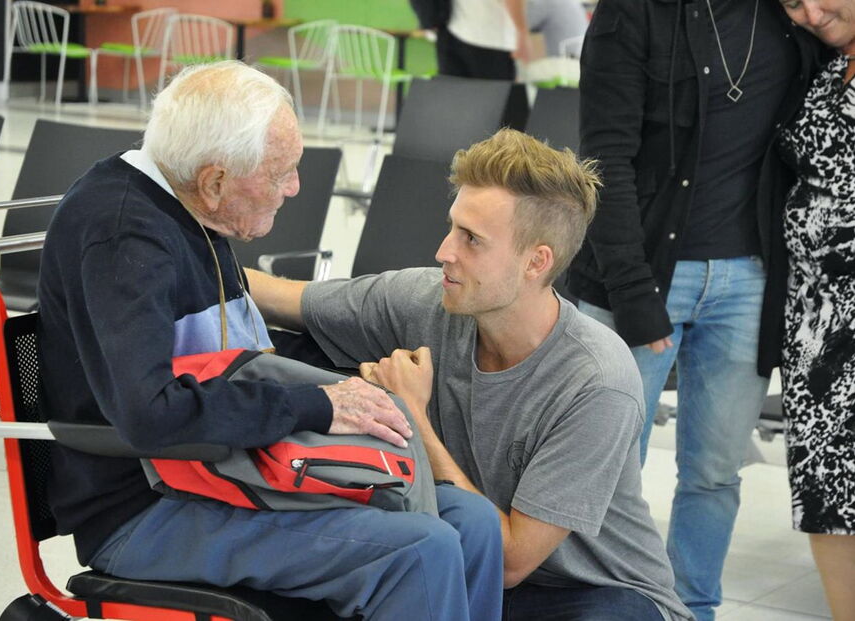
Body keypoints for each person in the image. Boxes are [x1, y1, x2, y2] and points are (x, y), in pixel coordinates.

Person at [36, 61, 504, 621]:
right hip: (145, 508)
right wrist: (316, 404)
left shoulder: (185, 205)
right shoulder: (123, 239)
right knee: (419, 552)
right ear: (214, 181)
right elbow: (150, 413)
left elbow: (241, 357)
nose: (294, 186)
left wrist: (360, 377)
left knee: (472, 526)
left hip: (227, 471)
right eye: (281, 171)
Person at [250, 129, 694, 621]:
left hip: (598, 595)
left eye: (471, 239)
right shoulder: (427, 300)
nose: (444, 251)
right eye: (452, 227)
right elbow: (278, 297)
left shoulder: (596, 382)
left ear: (536, 262)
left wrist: (411, 415)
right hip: (471, 566)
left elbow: (509, 563)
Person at [569, 0, 825, 617]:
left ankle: (693, 609)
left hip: (750, 280)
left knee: (714, 472)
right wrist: (633, 289)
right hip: (645, 273)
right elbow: (603, 159)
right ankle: (606, 605)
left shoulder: (793, 17)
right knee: (607, 468)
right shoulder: (630, 13)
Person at [775, 0, 855, 617]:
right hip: (816, 321)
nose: (810, 14)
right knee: (824, 488)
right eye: (791, 4)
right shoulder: (829, 64)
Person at [436, 0, 532, 80]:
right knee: (495, 100)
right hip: (490, 38)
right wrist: (522, 33)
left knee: (454, 99)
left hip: (452, 30)